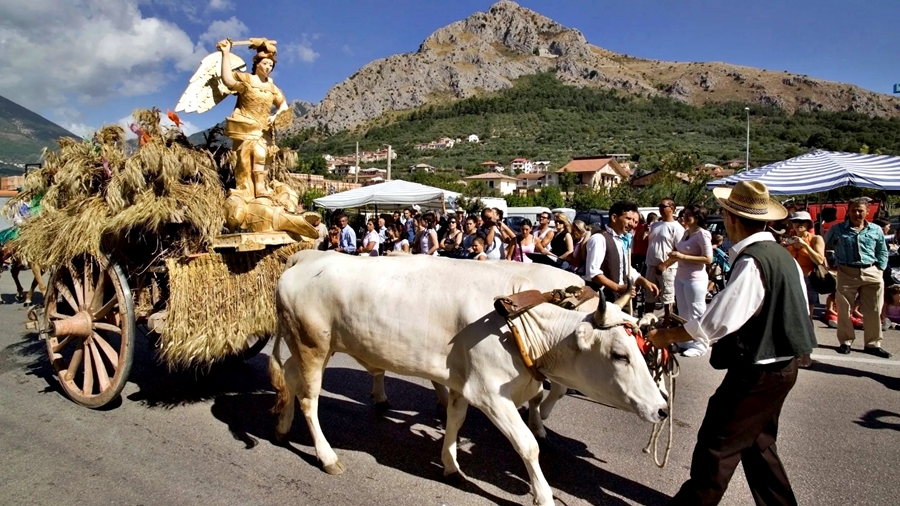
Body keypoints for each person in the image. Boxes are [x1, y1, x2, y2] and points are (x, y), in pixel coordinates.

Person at [647, 181, 817, 506]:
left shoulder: (752, 261)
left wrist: (667, 336)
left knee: (717, 445)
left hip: (759, 370)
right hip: (782, 365)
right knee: (759, 446)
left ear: (732, 219)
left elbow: (718, 321)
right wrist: (689, 326)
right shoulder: (781, 255)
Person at [824, 197, 890, 358]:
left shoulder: (875, 230)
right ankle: (846, 341)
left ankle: (873, 344)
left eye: (860, 210)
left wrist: (880, 268)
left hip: (871, 272)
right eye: (853, 210)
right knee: (844, 309)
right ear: (848, 211)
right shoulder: (838, 229)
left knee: (873, 310)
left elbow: (882, 250)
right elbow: (823, 246)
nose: (857, 213)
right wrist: (829, 266)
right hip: (846, 272)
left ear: (868, 211)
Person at [582, 201, 659, 307]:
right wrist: (618, 288)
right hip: (602, 301)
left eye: (635, 221)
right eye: (628, 219)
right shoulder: (599, 239)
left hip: (619, 299)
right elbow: (594, 274)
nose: (632, 224)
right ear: (614, 217)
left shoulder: (620, 240)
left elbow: (626, 269)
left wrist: (645, 282)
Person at [665, 204, 713, 357]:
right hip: (681, 276)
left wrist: (683, 256)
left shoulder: (702, 234)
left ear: (698, 217)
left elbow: (708, 258)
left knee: (697, 311)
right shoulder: (687, 233)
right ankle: (686, 339)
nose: (684, 217)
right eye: (684, 214)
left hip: (695, 279)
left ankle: (701, 344)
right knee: (684, 311)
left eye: (688, 214)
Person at [644, 199, 685, 324]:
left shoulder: (677, 228)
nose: (660, 208)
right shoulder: (655, 225)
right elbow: (642, 238)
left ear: (671, 208)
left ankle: (667, 324)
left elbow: (679, 250)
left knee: (668, 298)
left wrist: (665, 264)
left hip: (667, 268)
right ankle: (647, 322)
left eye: (663, 206)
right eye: (659, 206)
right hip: (651, 265)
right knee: (649, 297)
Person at [784, 211, 826, 321]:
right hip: (791, 279)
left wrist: (805, 245)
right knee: (791, 313)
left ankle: (809, 336)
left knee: (807, 315)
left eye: (802, 221)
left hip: (809, 279)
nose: (798, 224)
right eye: (795, 221)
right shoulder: (790, 240)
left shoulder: (815, 239)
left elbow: (819, 260)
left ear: (808, 224)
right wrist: (781, 248)